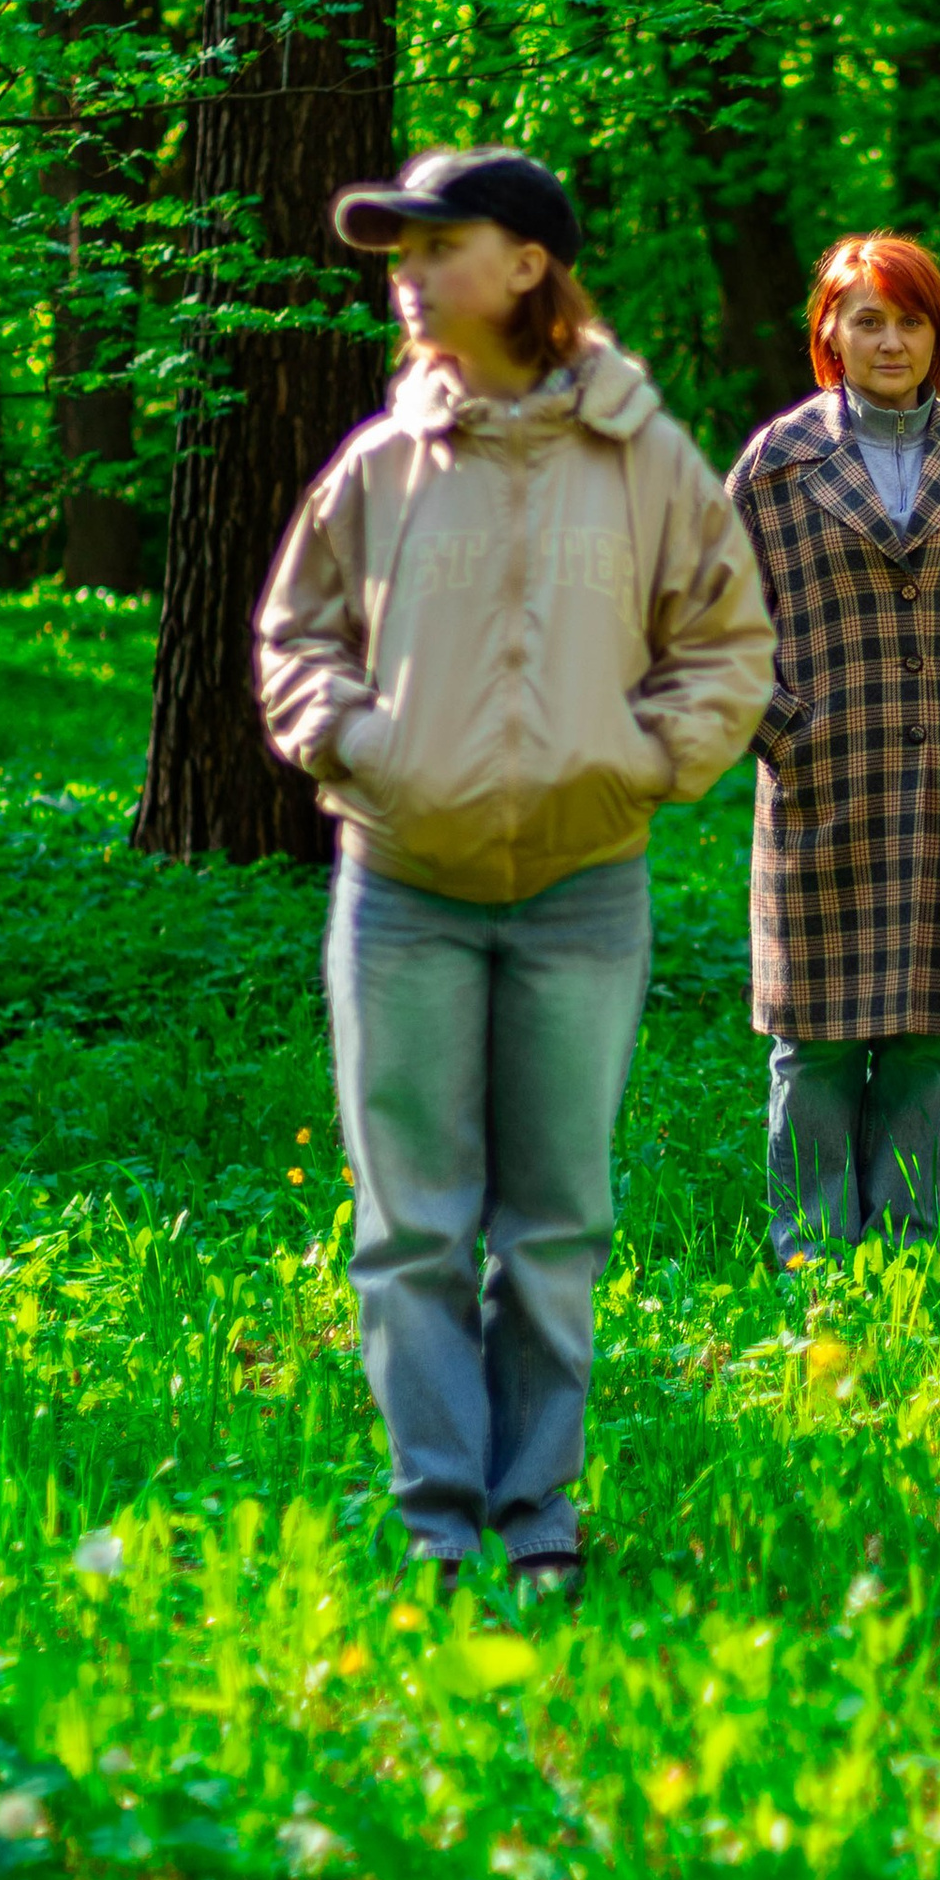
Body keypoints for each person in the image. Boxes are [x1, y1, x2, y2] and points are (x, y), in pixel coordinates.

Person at [256, 147, 774, 1593]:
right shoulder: (381, 465)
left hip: (582, 892)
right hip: (401, 891)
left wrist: (642, 761)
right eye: (400, 254)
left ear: (530, 265)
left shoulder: (644, 461)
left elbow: (728, 641)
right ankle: (439, 1514)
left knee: (554, 1225)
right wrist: (359, 743)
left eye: (442, 246)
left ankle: (535, 1507)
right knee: (412, 1227)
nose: (410, 276)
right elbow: (296, 638)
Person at [727, 232, 940, 1274]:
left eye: (911, 320)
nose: (890, 341)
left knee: (924, 1039)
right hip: (822, 787)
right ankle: (815, 1265)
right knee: (818, 1040)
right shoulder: (778, 464)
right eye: (868, 319)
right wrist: (786, 731)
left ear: (938, 336)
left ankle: (908, 1262)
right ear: (829, 332)